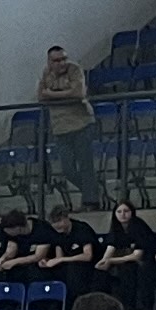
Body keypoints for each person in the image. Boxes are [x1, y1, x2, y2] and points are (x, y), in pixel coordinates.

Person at [38, 44, 97, 201]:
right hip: (60, 128)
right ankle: (94, 192)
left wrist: (52, 94)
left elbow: (78, 93)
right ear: (49, 62)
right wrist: (65, 94)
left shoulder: (74, 69)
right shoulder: (46, 73)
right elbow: (41, 96)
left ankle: (90, 201)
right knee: (68, 170)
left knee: (85, 166)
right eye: (57, 61)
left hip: (81, 124)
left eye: (64, 59)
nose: (62, 63)